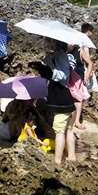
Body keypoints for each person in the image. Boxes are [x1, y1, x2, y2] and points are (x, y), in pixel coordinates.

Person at [32, 38, 76, 166]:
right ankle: (72, 157)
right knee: (68, 129)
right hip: (64, 98)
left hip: (61, 98)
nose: (46, 42)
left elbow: (62, 75)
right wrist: (43, 67)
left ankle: (57, 161)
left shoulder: (60, 55)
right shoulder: (56, 55)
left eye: (49, 40)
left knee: (59, 131)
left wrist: (47, 71)